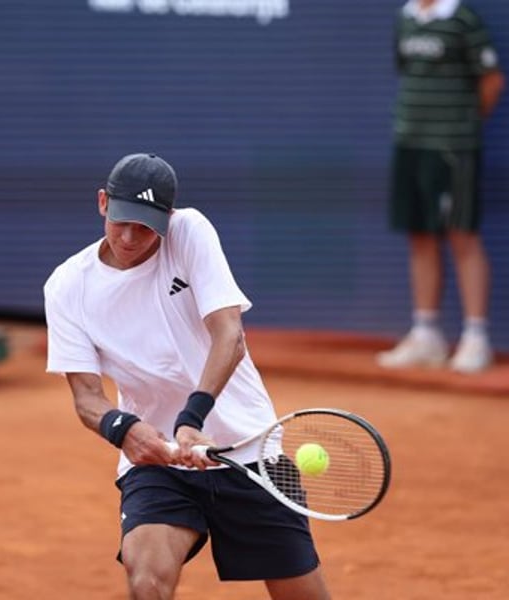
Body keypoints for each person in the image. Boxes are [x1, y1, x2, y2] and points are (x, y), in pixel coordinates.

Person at [44, 153, 331, 600]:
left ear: (168, 218)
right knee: (147, 578)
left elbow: (230, 336)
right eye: (121, 221)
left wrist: (192, 419)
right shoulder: (66, 286)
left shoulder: (190, 231)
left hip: (248, 451)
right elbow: (86, 398)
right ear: (103, 202)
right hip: (160, 465)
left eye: (145, 227)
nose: (129, 236)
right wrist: (124, 430)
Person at [377, 0, 505, 373]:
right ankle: (426, 333)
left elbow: (491, 80)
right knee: (420, 235)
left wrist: (460, 125)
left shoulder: (464, 20)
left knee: (462, 234)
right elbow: (405, 71)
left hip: (454, 148)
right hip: (410, 143)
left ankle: (476, 337)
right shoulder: (405, 17)